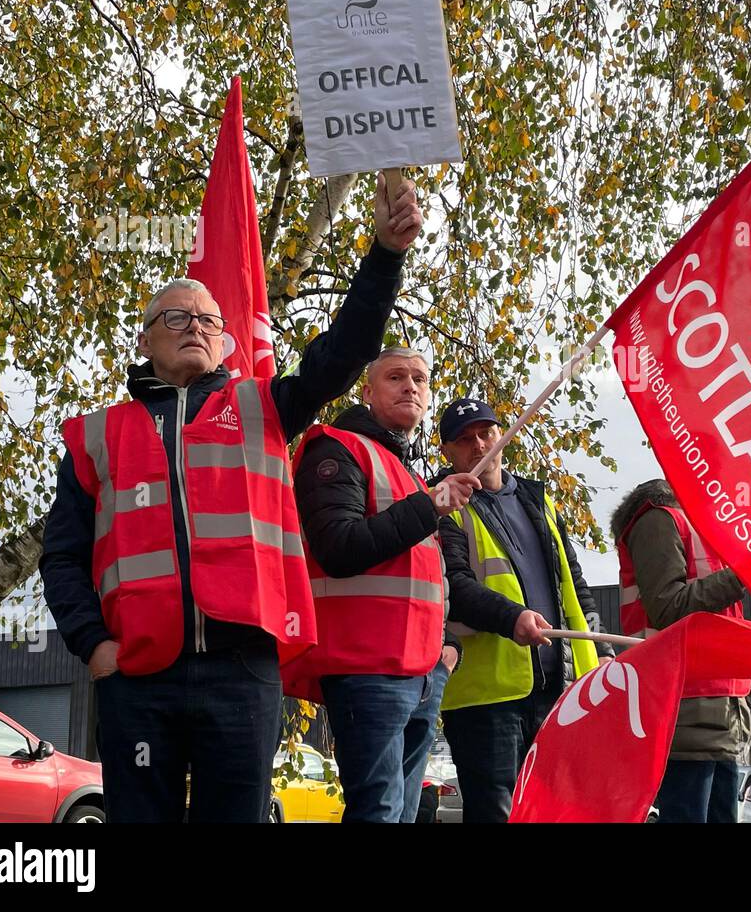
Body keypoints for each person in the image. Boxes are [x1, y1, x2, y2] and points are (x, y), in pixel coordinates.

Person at [41, 174, 423, 822]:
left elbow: (346, 351)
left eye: (208, 320)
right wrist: (94, 647)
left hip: (242, 673)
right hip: (137, 676)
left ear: (225, 340)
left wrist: (384, 253)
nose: (194, 326)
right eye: (176, 317)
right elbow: (62, 558)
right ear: (144, 339)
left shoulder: (265, 407)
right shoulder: (97, 436)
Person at [284, 348, 480, 822]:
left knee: (401, 813)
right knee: (380, 811)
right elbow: (339, 547)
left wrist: (446, 645)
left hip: (421, 667)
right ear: (367, 392)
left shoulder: (408, 471)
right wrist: (430, 506)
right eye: (396, 377)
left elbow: (426, 577)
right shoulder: (336, 448)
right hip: (367, 667)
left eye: (420, 378)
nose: (410, 386)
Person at [436, 398, 613, 823]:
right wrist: (511, 617)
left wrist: (602, 648)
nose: (479, 446)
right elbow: (453, 587)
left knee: (556, 810)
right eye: (464, 440)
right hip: (485, 698)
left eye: (486, 433)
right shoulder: (440, 504)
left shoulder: (538, 499)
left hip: (559, 687)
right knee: (496, 813)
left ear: (502, 437)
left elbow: (574, 582)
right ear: (447, 452)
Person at [611, 478, 751, 824]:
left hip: (714, 703)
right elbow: (667, 606)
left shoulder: (699, 525)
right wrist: (740, 576)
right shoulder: (659, 520)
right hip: (687, 698)